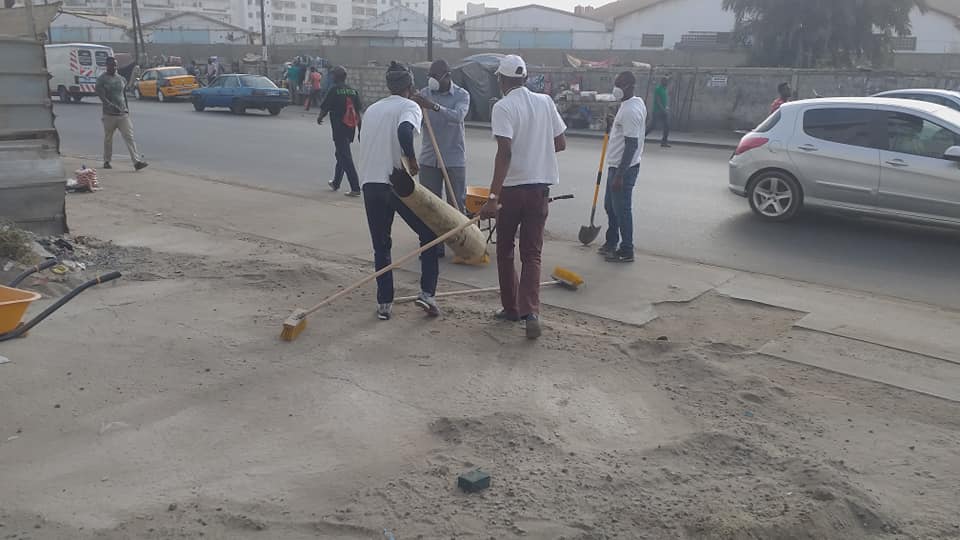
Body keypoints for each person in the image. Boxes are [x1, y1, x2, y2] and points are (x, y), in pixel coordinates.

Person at [479, 55, 567, 340]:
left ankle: (511, 308)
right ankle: (531, 312)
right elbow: (560, 143)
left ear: (502, 80)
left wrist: (492, 197)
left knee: (505, 250)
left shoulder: (503, 107)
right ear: (525, 78)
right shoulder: (545, 102)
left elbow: (504, 153)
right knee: (532, 254)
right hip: (539, 190)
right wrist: (537, 151)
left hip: (512, 192)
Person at [357, 62, 442, 321]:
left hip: (370, 184)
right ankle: (427, 294)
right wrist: (412, 159)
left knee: (381, 246)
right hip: (396, 183)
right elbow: (405, 130)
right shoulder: (409, 106)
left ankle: (385, 304)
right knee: (428, 234)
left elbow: (364, 140)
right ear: (410, 86)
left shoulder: (372, 109)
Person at [410, 59, 471, 215]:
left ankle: (457, 239)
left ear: (447, 76)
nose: (432, 80)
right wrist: (413, 106)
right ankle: (432, 238)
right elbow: (416, 122)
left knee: (456, 206)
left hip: (454, 160)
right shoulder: (424, 94)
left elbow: (458, 116)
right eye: (430, 75)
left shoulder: (462, 95)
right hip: (429, 160)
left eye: (436, 76)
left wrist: (433, 106)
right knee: (430, 207)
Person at [599, 71, 646, 264]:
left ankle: (626, 250)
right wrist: (614, 125)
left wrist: (620, 175)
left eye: (619, 83)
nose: (615, 87)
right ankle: (611, 241)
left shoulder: (630, 111)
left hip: (623, 169)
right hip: (616, 167)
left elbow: (632, 145)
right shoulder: (633, 104)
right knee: (610, 206)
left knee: (622, 210)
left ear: (629, 86)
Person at [96, 56, 147, 172]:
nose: (113, 67)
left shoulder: (121, 79)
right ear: (106, 66)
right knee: (108, 139)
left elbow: (123, 96)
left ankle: (136, 162)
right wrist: (109, 104)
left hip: (123, 114)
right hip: (109, 115)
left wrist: (127, 109)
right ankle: (107, 161)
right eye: (111, 65)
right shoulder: (102, 80)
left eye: (115, 65)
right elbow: (101, 96)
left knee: (129, 137)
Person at [317, 66, 363, 196]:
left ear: (336, 77)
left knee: (345, 157)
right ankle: (336, 182)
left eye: (333, 75)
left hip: (339, 128)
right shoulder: (353, 91)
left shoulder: (334, 90)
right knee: (341, 155)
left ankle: (355, 188)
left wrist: (320, 116)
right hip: (350, 129)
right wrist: (360, 130)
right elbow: (358, 113)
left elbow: (326, 106)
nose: (331, 77)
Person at [646, 76, 671, 148]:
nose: (667, 83)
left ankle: (664, 142)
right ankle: (641, 138)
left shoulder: (664, 89)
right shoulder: (658, 89)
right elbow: (658, 100)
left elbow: (664, 100)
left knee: (667, 126)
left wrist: (666, 108)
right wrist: (663, 109)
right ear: (662, 81)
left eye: (667, 81)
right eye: (666, 81)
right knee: (652, 126)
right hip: (657, 111)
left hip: (663, 111)